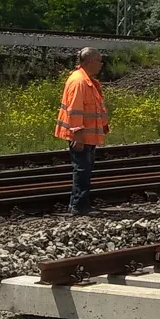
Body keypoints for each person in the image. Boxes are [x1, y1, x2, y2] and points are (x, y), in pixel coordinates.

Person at [54, 47, 108, 216]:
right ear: (90, 61)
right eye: (99, 61)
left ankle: (79, 204)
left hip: (87, 136)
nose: (101, 65)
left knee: (85, 170)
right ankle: (79, 206)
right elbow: (75, 110)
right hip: (81, 137)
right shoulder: (79, 82)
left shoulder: (87, 81)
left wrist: (103, 126)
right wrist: (77, 135)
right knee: (82, 171)